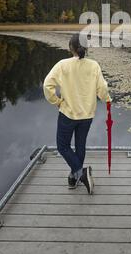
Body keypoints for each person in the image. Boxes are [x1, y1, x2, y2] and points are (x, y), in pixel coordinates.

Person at [43, 33, 111, 194]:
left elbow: (47, 85)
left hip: (68, 114)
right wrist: (107, 100)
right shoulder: (94, 65)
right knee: (80, 145)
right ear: (85, 48)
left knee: (63, 146)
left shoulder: (62, 65)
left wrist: (57, 101)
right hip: (87, 115)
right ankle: (74, 177)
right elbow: (102, 88)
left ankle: (80, 174)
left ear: (70, 48)